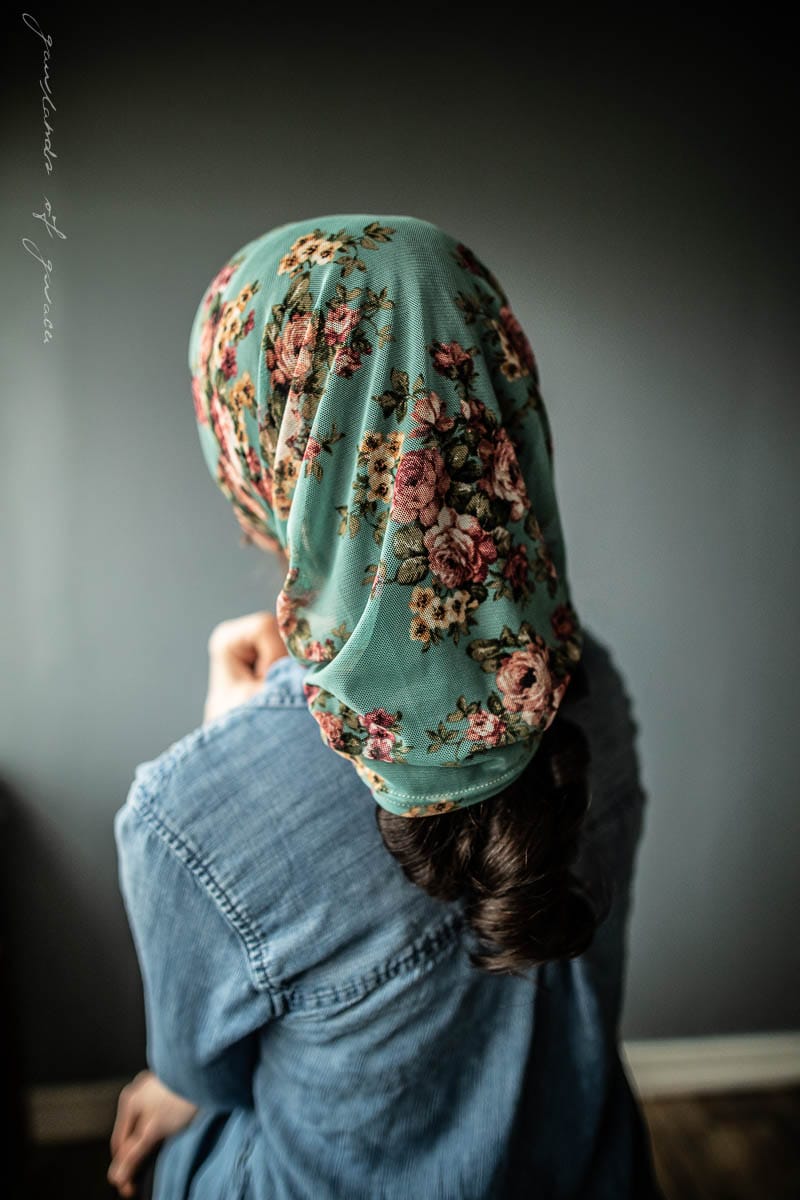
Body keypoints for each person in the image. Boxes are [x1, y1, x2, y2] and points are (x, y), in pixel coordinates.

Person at [108, 214, 664, 1199]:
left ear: (256, 443)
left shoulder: (184, 814)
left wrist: (228, 743)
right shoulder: (597, 689)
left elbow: (204, 1075)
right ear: (496, 400)